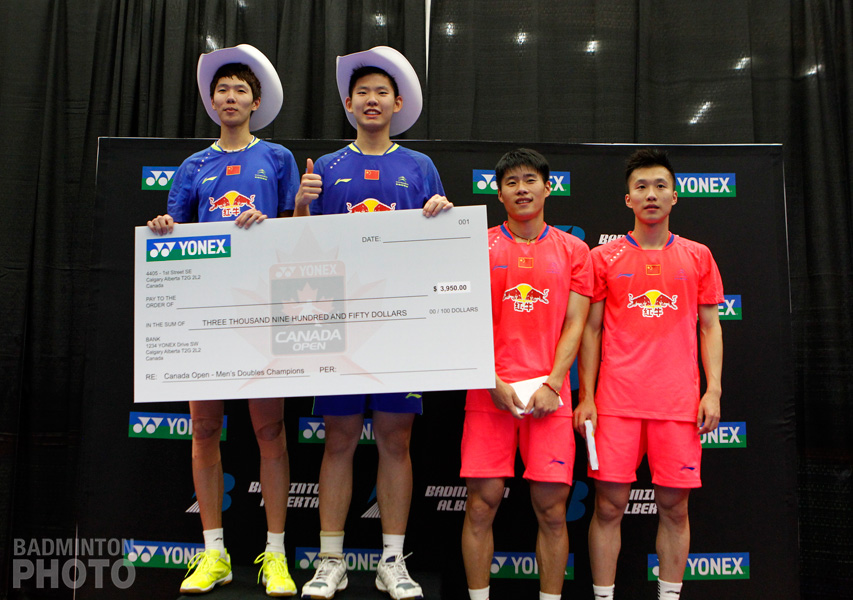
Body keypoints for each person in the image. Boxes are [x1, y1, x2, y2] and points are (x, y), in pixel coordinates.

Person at [289, 46, 451, 600]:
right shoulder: (327, 169)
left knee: (395, 440)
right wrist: (302, 205)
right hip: (338, 322)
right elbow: (299, 249)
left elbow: (440, 250)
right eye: (363, 93)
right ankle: (330, 560)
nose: (372, 100)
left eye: (382, 92)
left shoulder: (420, 167)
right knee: (338, 439)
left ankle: (392, 561)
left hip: (399, 326)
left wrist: (440, 216)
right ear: (348, 104)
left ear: (397, 103)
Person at [147, 44, 300, 597]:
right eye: (222, 90)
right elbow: (176, 235)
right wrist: (165, 227)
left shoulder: (277, 158)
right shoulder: (193, 167)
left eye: (240, 90)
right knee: (205, 429)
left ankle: (276, 555)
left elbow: (300, 231)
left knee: (270, 431)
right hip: (205, 316)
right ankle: (215, 553)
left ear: (255, 103)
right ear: (212, 102)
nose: (230, 97)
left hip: (264, 310)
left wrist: (274, 223)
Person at [575, 148, 723, 600]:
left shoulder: (699, 256)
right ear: (628, 199)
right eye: (641, 187)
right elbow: (591, 330)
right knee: (608, 506)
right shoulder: (603, 257)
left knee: (675, 509)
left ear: (675, 196)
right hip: (616, 404)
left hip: (678, 404)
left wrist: (713, 391)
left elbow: (710, 327)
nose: (651, 194)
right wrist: (587, 397)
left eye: (660, 186)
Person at [459, 148, 592, 600]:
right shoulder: (477, 245)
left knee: (553, 512)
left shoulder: (574, 250)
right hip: (489, 391)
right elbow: (463, 316)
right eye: (511, 182)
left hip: (550, 396)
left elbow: (576, 323)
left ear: (547, 188)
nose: (521, 189)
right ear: (498, 193)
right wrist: (489, 378)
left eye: (530, 180)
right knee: (481, 506)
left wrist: (554, 383)